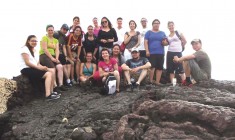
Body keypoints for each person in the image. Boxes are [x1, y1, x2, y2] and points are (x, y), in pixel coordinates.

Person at [20, 35, 60, 100]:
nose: (34, 42)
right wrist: (39, 68)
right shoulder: (24, 49)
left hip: (34, 68)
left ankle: (52, 92)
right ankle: (48, 95)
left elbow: (38, 64)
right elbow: (27, 63)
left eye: (36, 41)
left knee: (52, 71)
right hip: (26, 68)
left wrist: (43, 67)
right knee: (48, 74)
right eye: (32, 41)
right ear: (28, 41)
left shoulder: (35, 51)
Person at [39, 24, 67, 92]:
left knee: (60, 66)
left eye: (52, 30)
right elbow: (45, 49)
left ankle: (61, 85)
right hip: (44, 55)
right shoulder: (44, 38)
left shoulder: (55, 40)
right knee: (53, 69)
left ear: (53, 31)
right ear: (46, 31)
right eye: (49, 30)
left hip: (54, 56)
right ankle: (55, 86)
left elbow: (57, 50)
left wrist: (57, 58)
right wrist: (52, 58)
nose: (51, 31)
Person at [145, 19, 167, 86]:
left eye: (158, 23)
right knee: (152, 67)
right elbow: (145, 42)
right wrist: (147, 50)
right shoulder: (148, 32)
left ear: (159, 24)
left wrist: (165, 43)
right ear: (152, 24)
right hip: (151, 52)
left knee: (160, 67)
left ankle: (157, 82)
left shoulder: (162, 33)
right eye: (155, 23)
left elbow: (165, 42)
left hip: (160, 52)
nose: (156, 24)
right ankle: (150, 81)